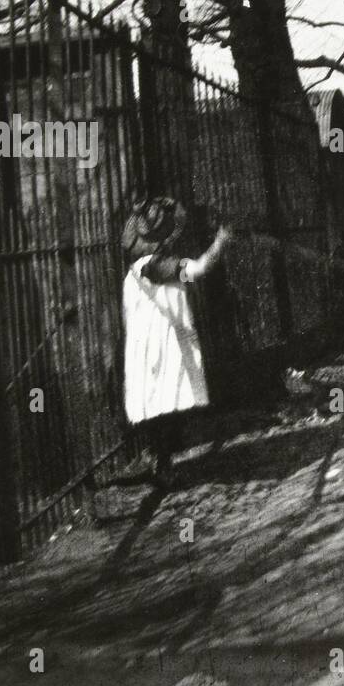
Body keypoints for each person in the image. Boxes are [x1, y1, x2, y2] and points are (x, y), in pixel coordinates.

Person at [120, 196, 231, 480]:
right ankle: (161, 464)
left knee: (160, 404)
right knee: (166, 404)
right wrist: (220, 243)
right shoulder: (158, 268)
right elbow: (200, 268)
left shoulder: (134, 272)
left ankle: (160, 460)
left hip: (145, 348)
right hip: (162, 347)